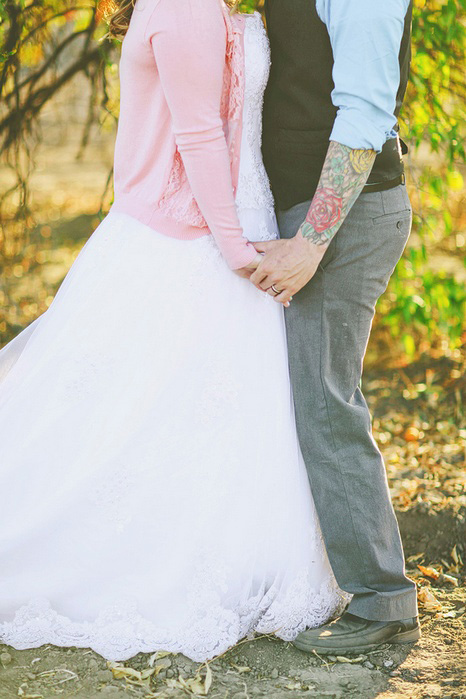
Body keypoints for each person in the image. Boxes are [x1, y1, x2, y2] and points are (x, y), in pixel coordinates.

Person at [0, 0, 348, 663]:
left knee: (234, 418)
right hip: (190, 238)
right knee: (151, 413)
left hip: (241, 215)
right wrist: (236, 248)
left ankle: (243, 560)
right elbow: (196, 137)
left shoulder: (223, 6)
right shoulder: (184, 6)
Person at [254, 0, 420, 654]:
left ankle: (383, 599)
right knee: (313, 398)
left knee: (327, 402)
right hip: (311, 216)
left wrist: (311, 244)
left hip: (348, 222)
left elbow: (363, 119)